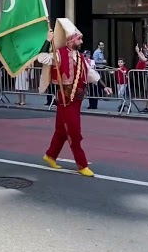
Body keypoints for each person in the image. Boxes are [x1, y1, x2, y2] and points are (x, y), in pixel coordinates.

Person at [37, 18, 110, 177]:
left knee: (62, 131)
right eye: (79, 38)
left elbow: (92, 75)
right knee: (74, 132)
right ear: (70, 41)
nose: (81, 41)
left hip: (76, 99)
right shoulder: (58, 54)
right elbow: (41, 57)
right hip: (65, 99)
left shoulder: (81, 58)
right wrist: (47, 41)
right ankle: (82, 164)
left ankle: (50, 155)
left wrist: (105, 87)